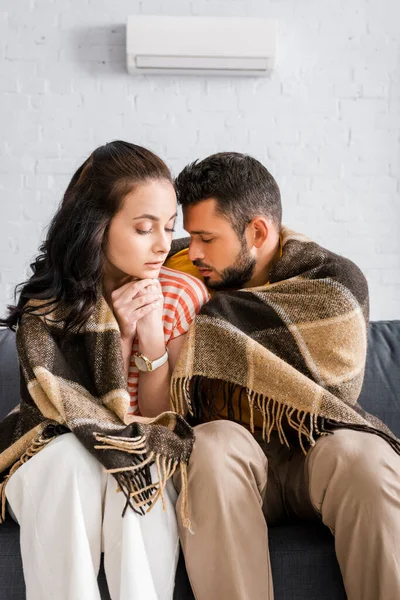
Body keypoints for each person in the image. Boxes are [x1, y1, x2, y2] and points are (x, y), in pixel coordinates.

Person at [165, 152, 400, 600]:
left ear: (257, 232)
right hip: (237, 460)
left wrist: (196, 333)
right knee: (211, 445)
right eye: (189, 235)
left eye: (206, 238)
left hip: (315, 449)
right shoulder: (176, 270)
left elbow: (336, 392)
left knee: (365, 457)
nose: (191, 251)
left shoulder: (331, 283)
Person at [0, 141, 209, 600]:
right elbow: (61, 419)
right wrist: (116, 340)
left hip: (134, 445)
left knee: (134, 467)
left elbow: (158, 422)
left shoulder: (176, 293)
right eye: (142, 227)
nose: (160, 244)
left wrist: (148, 338)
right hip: (55, 453)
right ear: (97, 226)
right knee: (74, 461)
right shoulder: (50, 307)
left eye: (169, 227)